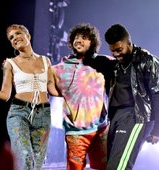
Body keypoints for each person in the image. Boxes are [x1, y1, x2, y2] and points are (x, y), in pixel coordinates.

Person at [0, 24, 59, 170]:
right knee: (25, 157)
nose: (15, 38)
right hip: (19, 113)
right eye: (11, 38)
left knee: (37, 163)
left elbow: (52, 89)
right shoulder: (10, 63)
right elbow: (5, 95)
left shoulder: (46, 61)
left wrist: (73, 94)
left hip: (43, 114)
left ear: (28, 35)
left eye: (18, 33)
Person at [53, 23, 109, 170]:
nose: (78, 40)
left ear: (92, 42)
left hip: (101, 128)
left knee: (105, 167)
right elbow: (46, 84)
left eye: (83, 38)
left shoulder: (103, 62)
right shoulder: (61, 67)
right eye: (76, 37)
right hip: (76, 131)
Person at [104, 23, 159, 170]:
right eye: (112, 51)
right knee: (111, 164)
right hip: (116, 117)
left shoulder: (147, 61)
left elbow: (157, 94)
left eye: (119, 49)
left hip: (137, 116)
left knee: (118, 166)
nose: (116, 54)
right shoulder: (115, 65)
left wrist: (157, 129)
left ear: (129, 43)